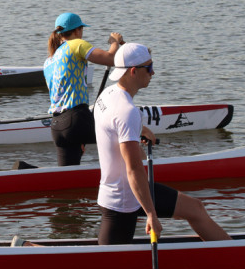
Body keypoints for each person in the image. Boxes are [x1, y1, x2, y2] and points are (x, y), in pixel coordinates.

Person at [94, 42, 230, 245]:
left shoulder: (108, 94)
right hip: (123, 199)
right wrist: (151, 213)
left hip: (122, 190)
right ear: (133, 71)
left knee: (195, 209)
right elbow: (133, 170)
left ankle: (229, 251)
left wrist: (141, 129)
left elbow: (114, 125)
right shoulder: (127, 111)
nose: (153, 72)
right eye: (149, 68)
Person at [44, 12, 123, 166]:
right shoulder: (76, 44)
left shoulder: (49, 60)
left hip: (57, 125)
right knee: (125, 137)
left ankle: (24, 169)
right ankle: (142, 175)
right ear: (77, 31)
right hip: (76, 119)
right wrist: (114, 42)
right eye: (82, 30)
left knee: (67, 178)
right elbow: (111, 59)